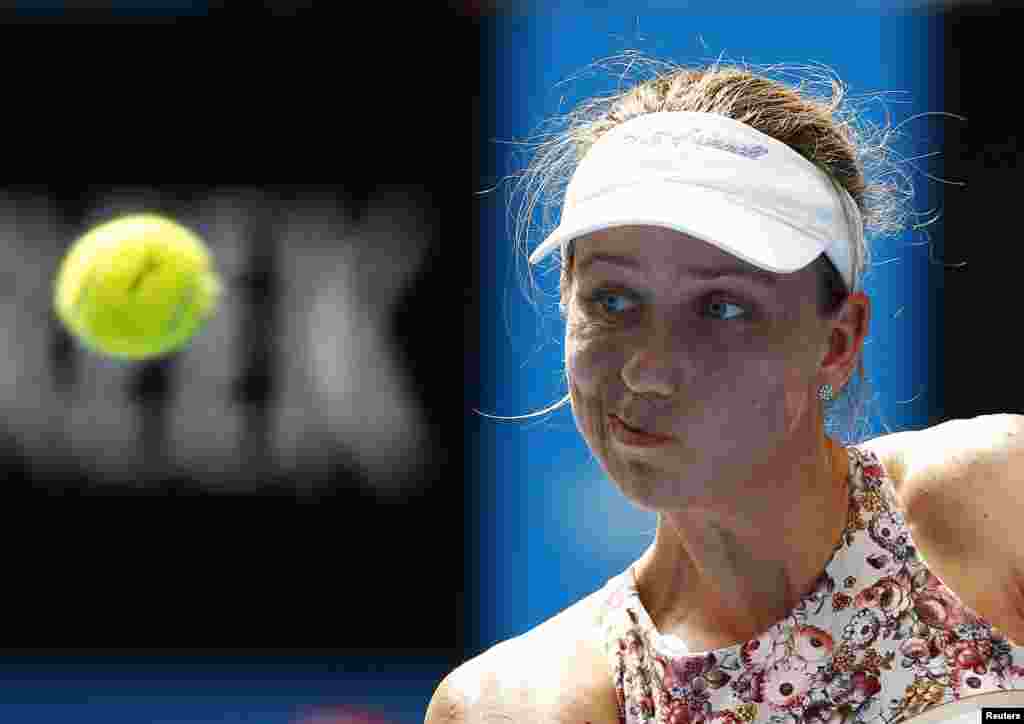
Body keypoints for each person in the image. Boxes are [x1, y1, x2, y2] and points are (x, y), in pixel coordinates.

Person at [428, 55, 1024, 724]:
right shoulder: (516, 706)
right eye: (614, 300)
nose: (647, 370)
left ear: (838, 342)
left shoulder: (999, 498)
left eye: (722, 308)